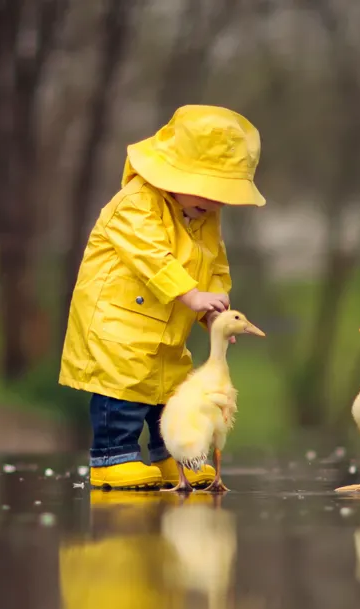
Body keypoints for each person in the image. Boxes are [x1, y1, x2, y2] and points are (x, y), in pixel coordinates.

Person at [59, 105, 265, 490]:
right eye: (207, 190)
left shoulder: (202, 216)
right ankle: (111, 458)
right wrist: (190, 293)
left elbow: (216, 264)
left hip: (168, 325)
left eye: (223, 196)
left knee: (172, 395)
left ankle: (176, 457)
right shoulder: (135, 203)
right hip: (118, 325)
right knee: (122, 390)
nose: (213, 203)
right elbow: (151, 255)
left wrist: (213, 309)